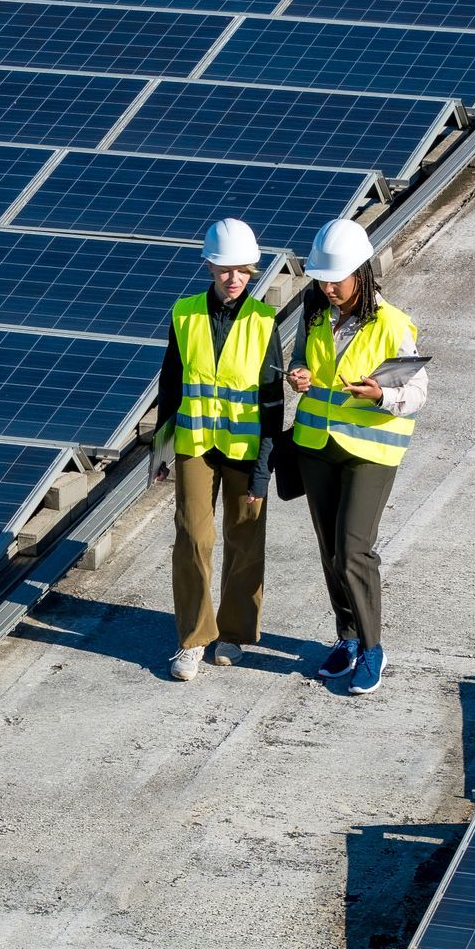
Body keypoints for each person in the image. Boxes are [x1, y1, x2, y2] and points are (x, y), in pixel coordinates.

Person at [286, 218, 425, 696]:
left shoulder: (392, 323)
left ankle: (371, 647)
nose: (327, 288)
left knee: (353, 551)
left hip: (370, 452)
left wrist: (379, 397)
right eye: (322, 279)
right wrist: (297, 373)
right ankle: (345, 638)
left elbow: (418, 389)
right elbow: (301, 358)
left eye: (336, 280)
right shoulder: (316, 310)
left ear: (361, 273)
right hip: (316, 446)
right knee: (330, 552)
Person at [153, 218, 285, 682]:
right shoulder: (184, 312)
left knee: (245, 539)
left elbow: (273, 401)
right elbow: (170, 386)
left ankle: (234, 633)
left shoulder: (265, 321)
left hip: (247, 450)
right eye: (225, 269)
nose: (234, 279)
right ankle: (192, 639)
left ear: (253, 271)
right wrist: (161, 453)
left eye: (243, 271)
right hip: (194, 444)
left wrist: (264, 470)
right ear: (209, 266)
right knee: (193, 537)